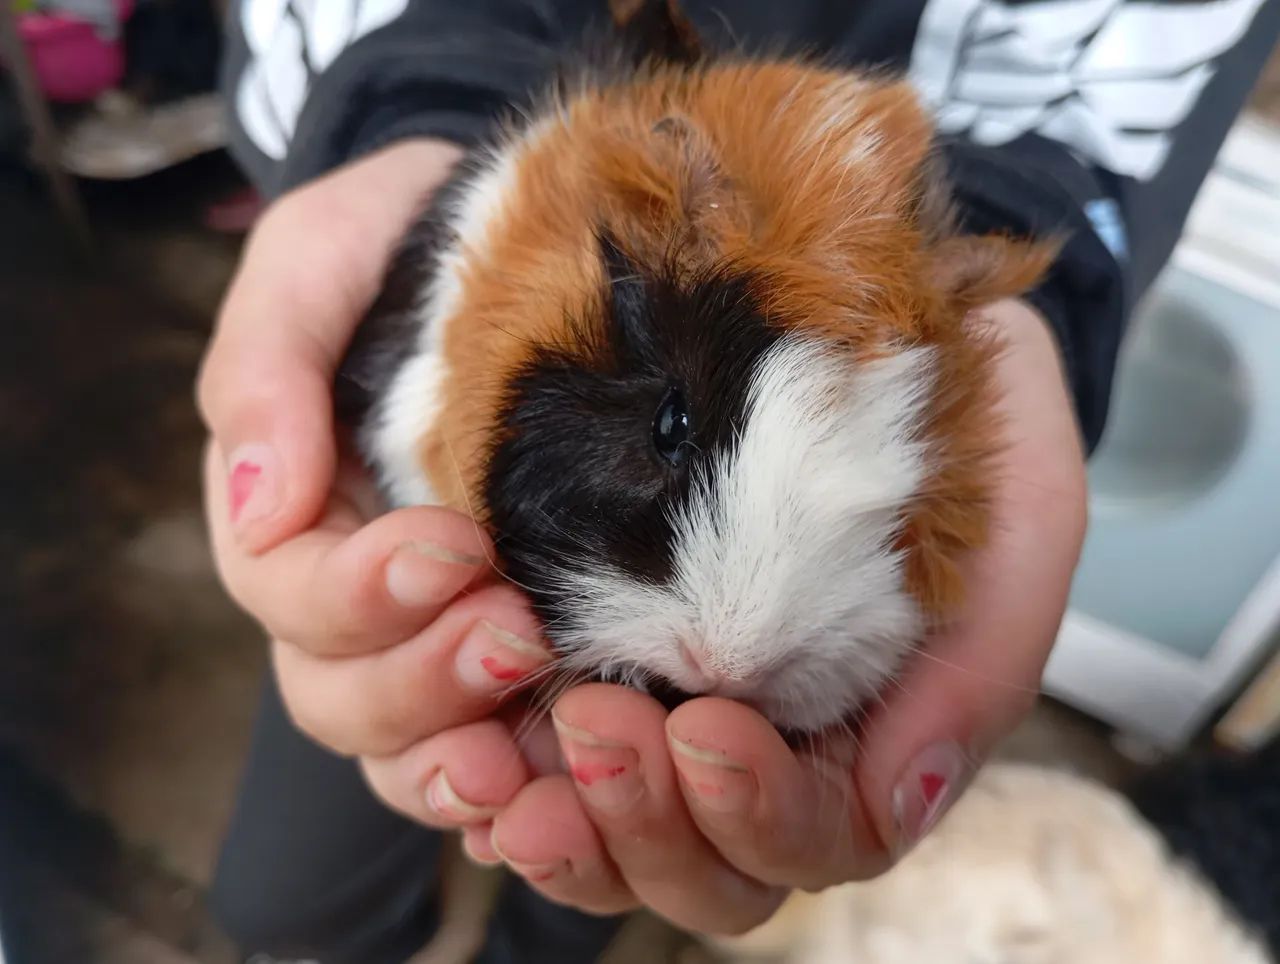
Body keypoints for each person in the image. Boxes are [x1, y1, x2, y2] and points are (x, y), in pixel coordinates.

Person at [197, 1, 1280, 961]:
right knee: (297, 887)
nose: (727, 651)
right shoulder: (566, 256)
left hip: (962, 154)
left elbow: (1130, 64)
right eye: (670, 430)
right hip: (436, 552)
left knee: (629, 841)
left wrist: (1034, 299)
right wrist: (413, 105)